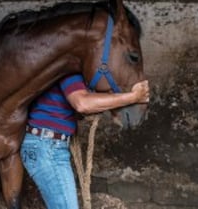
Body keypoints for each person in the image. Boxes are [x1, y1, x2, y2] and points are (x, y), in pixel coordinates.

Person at [20, 74, 149, 209]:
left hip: (48, 145)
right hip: (47, 146)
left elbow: (81, 106)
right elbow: (82, 104)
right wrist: (134, 97)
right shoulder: (69, 70)